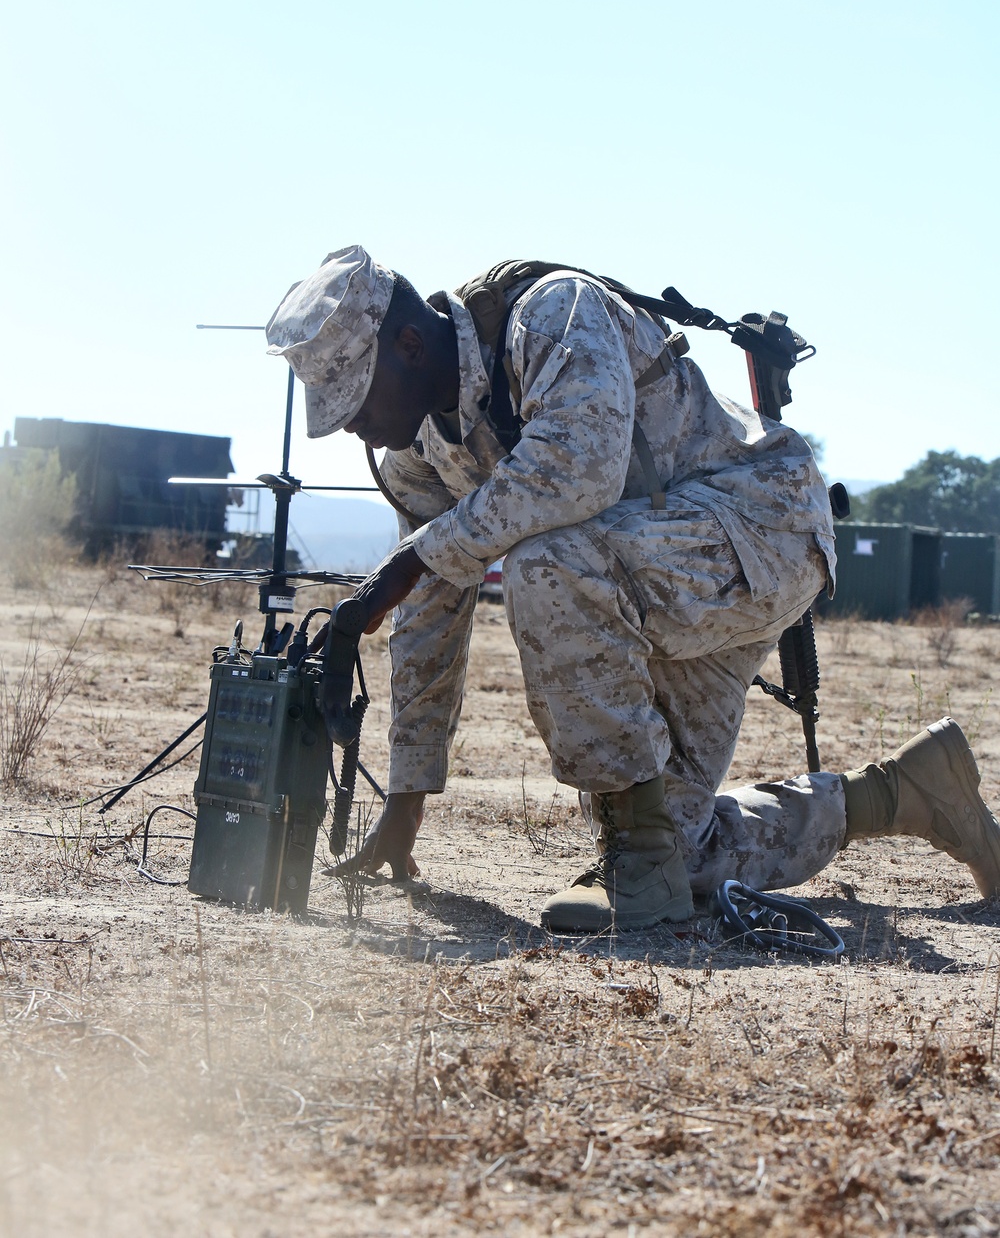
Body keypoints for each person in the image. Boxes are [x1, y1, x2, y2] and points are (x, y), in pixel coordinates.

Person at [266, 246, 1000, 931]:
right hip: (655, 586)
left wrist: (412, 560)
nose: (360, 434)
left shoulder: (551, 315)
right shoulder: (417, 455)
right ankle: (908, 791)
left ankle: (638, 862)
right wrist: (404, 806)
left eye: (358, 406)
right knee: (692, 856)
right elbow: (429, 609)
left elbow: (575, 469)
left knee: (545, 564)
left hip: (758, 528)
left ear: (410, 345)